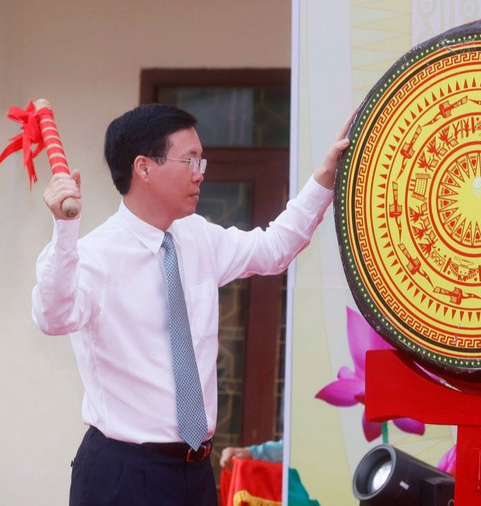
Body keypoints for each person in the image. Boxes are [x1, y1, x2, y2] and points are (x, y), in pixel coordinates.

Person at [32, 103, 351, 506]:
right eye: (190, 161)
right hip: (122, 474)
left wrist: (325, 177)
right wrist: (64, 231)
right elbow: (52, 316)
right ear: (144, 168)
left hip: (195, 471)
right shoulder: (93, 256)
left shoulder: (197, 237)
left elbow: (273, 249)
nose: (201, 173)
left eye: (202, 161)